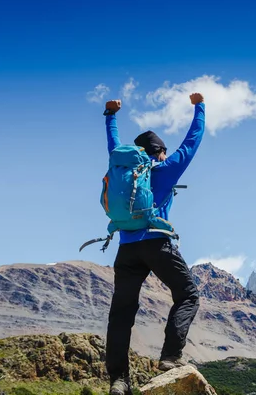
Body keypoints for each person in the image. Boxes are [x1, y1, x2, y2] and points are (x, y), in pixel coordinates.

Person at [103, 93, 205, 395]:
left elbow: (113, 142)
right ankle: (171, 356)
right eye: (163, 152)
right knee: (187, 294)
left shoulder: (121, 164)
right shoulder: (165, 168)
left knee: (121, 313)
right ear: (159, 151)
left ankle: (119, 381)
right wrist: (200, 107)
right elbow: (192, 141)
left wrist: (110, 115)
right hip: (156, 244)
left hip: (126, 248)